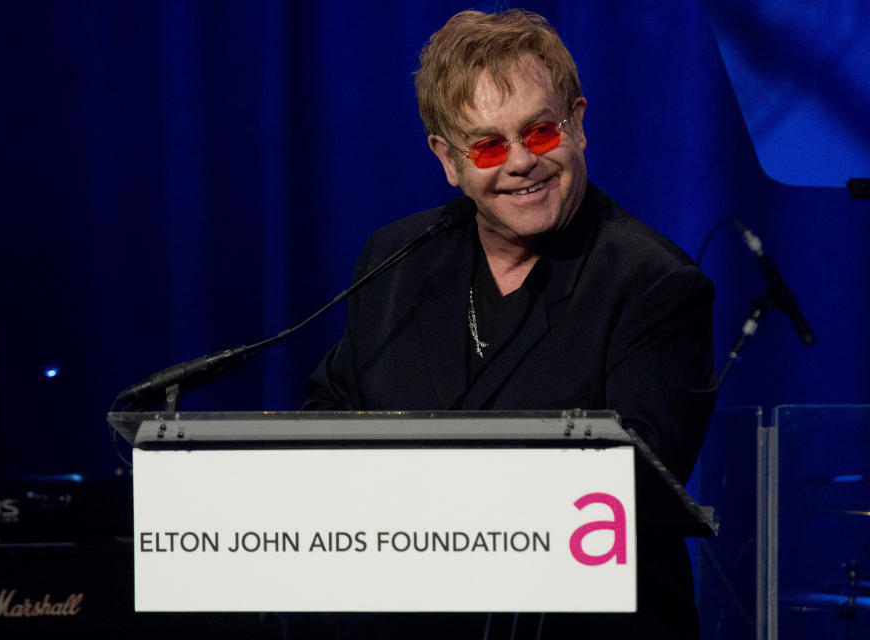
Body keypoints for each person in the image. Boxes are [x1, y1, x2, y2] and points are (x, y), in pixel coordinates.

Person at [304, 8, 717, 638]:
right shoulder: (396, 262)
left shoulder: (652, 284)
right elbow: (327, 421)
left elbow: (627, 495)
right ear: (448, 159)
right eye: (489, 144)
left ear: (578, 123)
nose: (521, 161)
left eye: (541, 132)